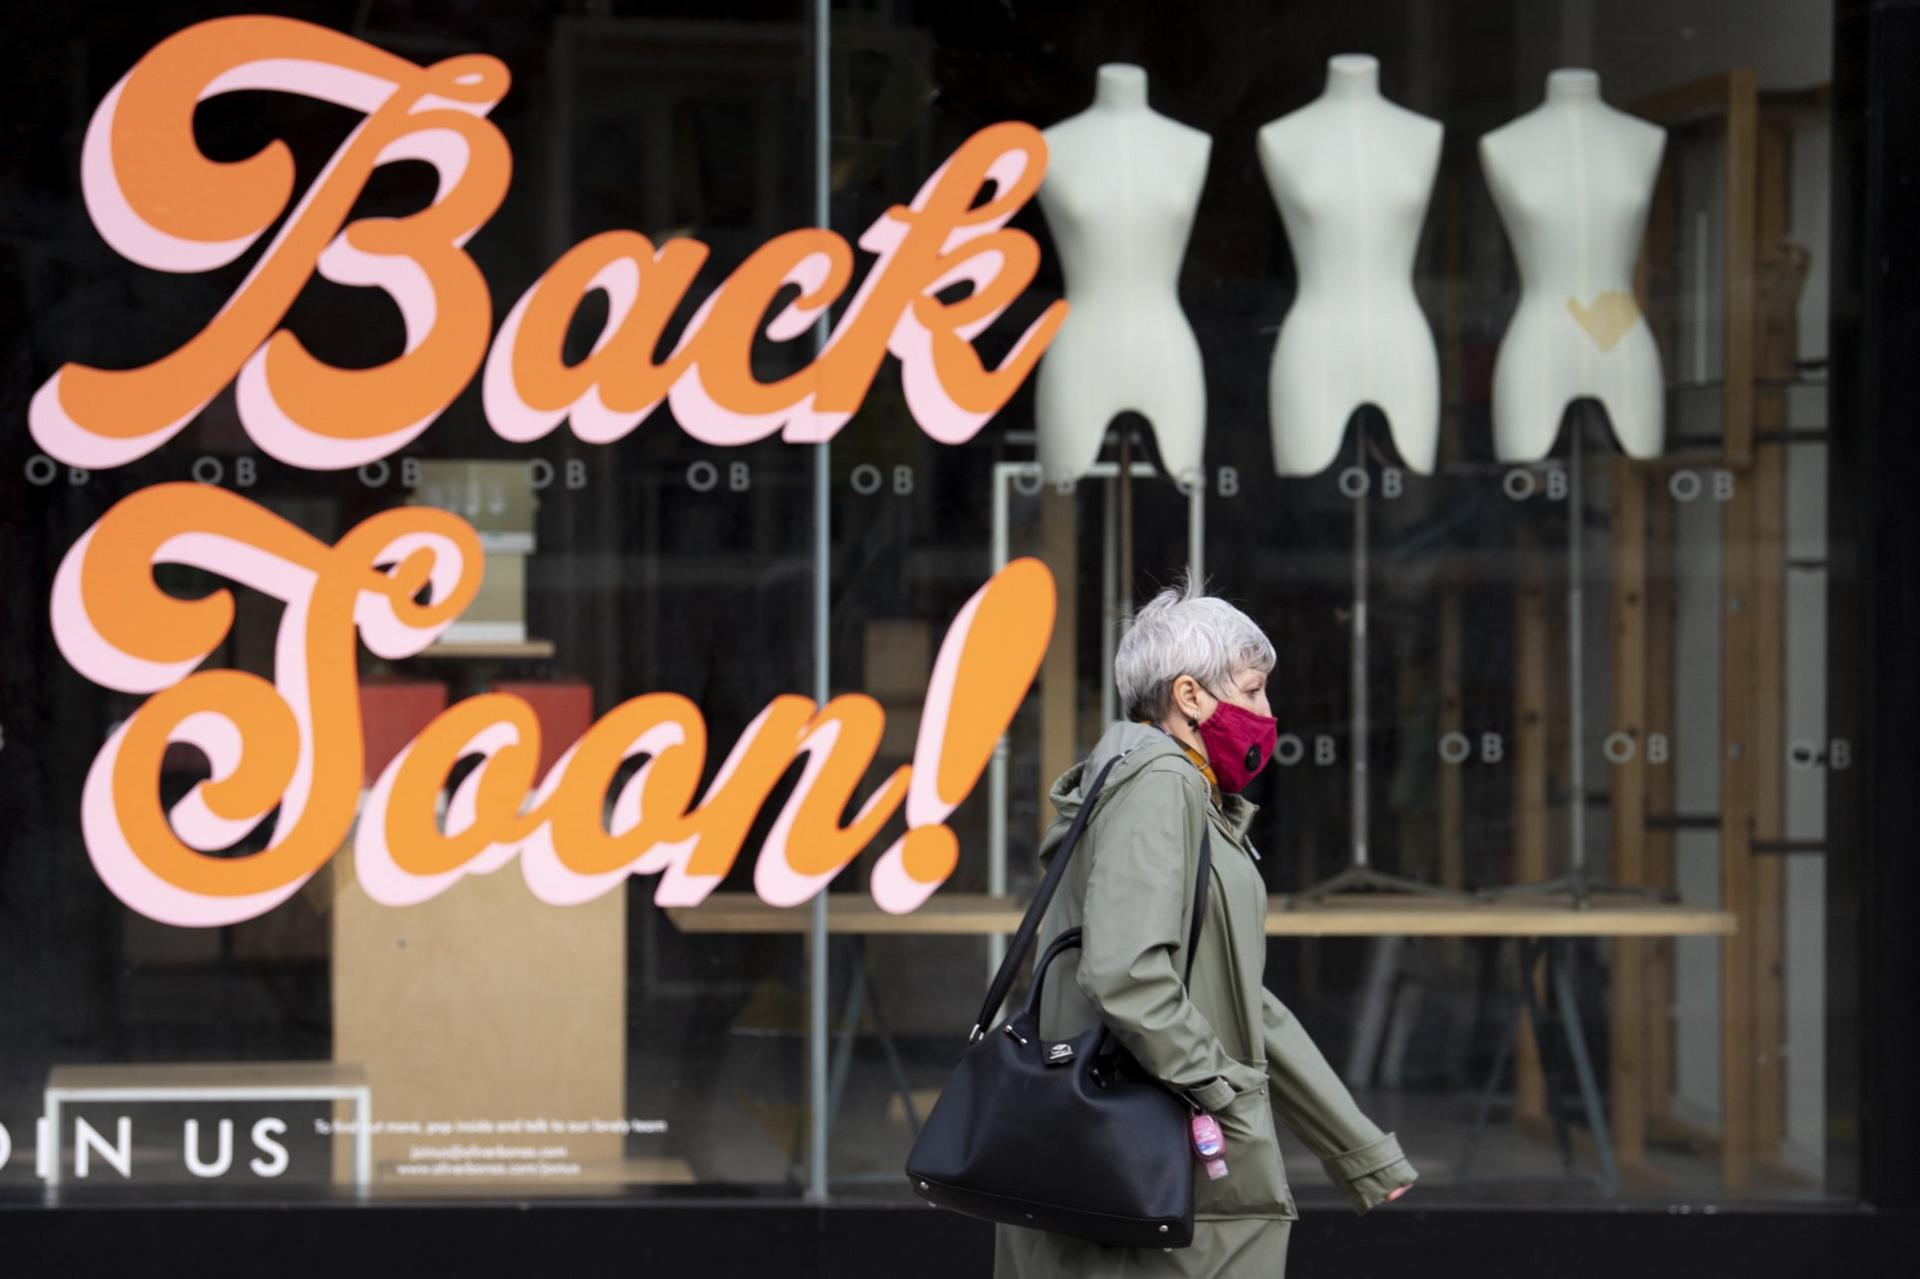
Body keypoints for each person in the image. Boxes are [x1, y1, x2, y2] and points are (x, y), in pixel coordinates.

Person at [993, 579, 1416, 1277]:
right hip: (1162, 1152)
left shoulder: (1166, 787)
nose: (1267, 712)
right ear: (1189, 695)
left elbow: (1243, 1002)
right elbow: (1127, 975)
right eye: (1251, 691)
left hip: (1143, 1147)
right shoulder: (1161, 786)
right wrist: (1222, 1092)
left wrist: (1358, 1147)